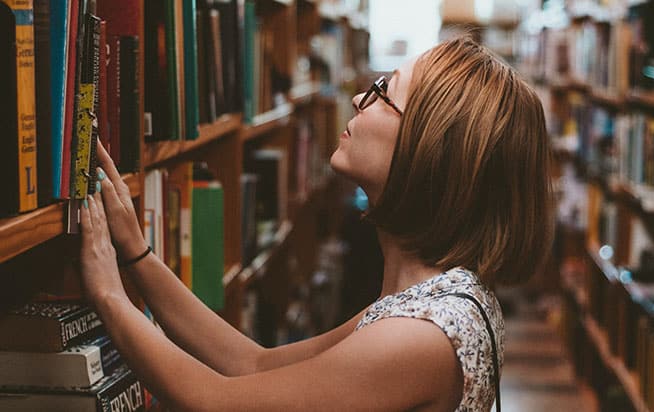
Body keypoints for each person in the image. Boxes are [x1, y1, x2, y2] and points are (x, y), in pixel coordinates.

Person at [80, 36, 553, 411]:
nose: (357, 98)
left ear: (429, 150)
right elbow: (250, 364)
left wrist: (107, 293)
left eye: (383, 92)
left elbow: (212, 400)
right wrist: (138, 257)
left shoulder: (421, 336)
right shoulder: (427, 302)